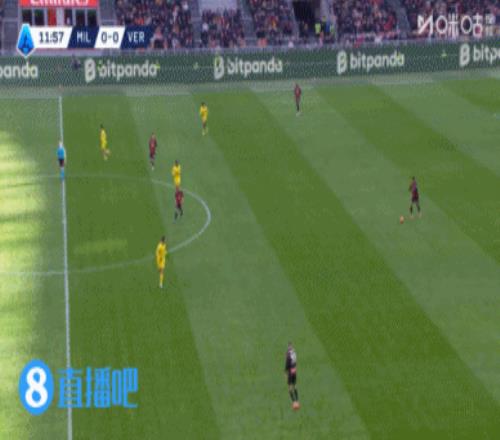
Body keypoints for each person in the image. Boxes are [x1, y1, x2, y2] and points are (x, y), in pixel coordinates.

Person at [285, 342, 300, 409]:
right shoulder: (294, 353)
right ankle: (297, 400)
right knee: (295, 386)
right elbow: (295, 362)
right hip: (294, 372)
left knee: (289, 387)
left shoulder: (288, 355)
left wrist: (285, 372)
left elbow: (287, 364)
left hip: (290, 373)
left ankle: (294, 402)